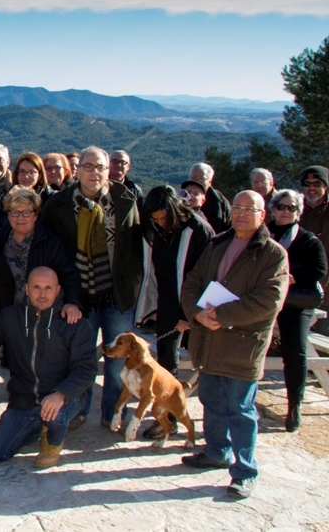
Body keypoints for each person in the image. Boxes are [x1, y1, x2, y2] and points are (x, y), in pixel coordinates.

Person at [180, 191, 289, 500]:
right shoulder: (217, 245)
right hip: (209, 339)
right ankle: (216, 451)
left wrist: (223, 315)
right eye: (237, 208)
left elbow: (269, 300)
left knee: (240, 409)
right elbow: (191, 283)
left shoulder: (273, 254)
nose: (241, 214)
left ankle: (244, 471)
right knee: (212, 401)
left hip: (242, 344)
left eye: (249, 209)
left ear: (262, 215)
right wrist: (197, 314)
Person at [40, 146, 143, 429]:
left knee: (118, 362)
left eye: (99, 167)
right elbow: (49, 249)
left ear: (108, 170)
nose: (94, 173)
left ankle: (112, 413)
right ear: (77, 170)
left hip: (117, 295)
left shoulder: (125, 200)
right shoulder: (58, 204)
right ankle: (78, 410)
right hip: (79, 295)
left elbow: (136, 248)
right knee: (80, 359)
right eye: (88, 166)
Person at [0, 267, 96, 467]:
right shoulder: (10, 317)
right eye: (36, 287)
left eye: (48, 288)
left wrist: (60, 394)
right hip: (24, 401)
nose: (42, 294)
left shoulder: (74, 323)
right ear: (26, 289)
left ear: (58, 290)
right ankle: (37, 426)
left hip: (65, 398)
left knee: (55, 414)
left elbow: (86, 369)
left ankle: (52, 442)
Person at [134, 185, 214, 438]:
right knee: (167, 363)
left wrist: (191, 313)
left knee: (205, 363)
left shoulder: (199, 231)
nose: (159, 222)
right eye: (155, 219)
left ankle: (212, 425)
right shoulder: (155, 229)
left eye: (163, 218)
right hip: (167, 303)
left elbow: (210, 276)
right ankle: (167, 419)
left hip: (197, 306)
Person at [267, 189, 327, 432]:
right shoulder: (262, 234)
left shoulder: (307, 239)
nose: (285, 211)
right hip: (266, 299)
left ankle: (294, 404)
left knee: (296, 350)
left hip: (294, 303)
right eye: (281, 206)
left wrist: (292, 277)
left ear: (299, 212)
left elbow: (320, 269)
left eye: (291, 208)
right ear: (273, 208)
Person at [0, 187, 81, 319]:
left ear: (36, 215)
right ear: (8, 215)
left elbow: (68, 274)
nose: (20, 218)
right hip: (6, 314)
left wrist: (72, 302)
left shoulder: (51, 242)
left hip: (40, 314)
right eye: (15, 212)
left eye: (26, 213)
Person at [298, 166, 329, 293]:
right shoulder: (292, 208)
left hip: (325, 286)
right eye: (307, 184)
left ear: (325, 186)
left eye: (317, 183)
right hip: (296, 284)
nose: (311, 188)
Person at [189, 162, 232, 234]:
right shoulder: (181, 198)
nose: (197, 182)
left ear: (209, 182)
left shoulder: (220, 202)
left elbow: (228, 227)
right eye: (194, 178)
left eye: (202, 179)